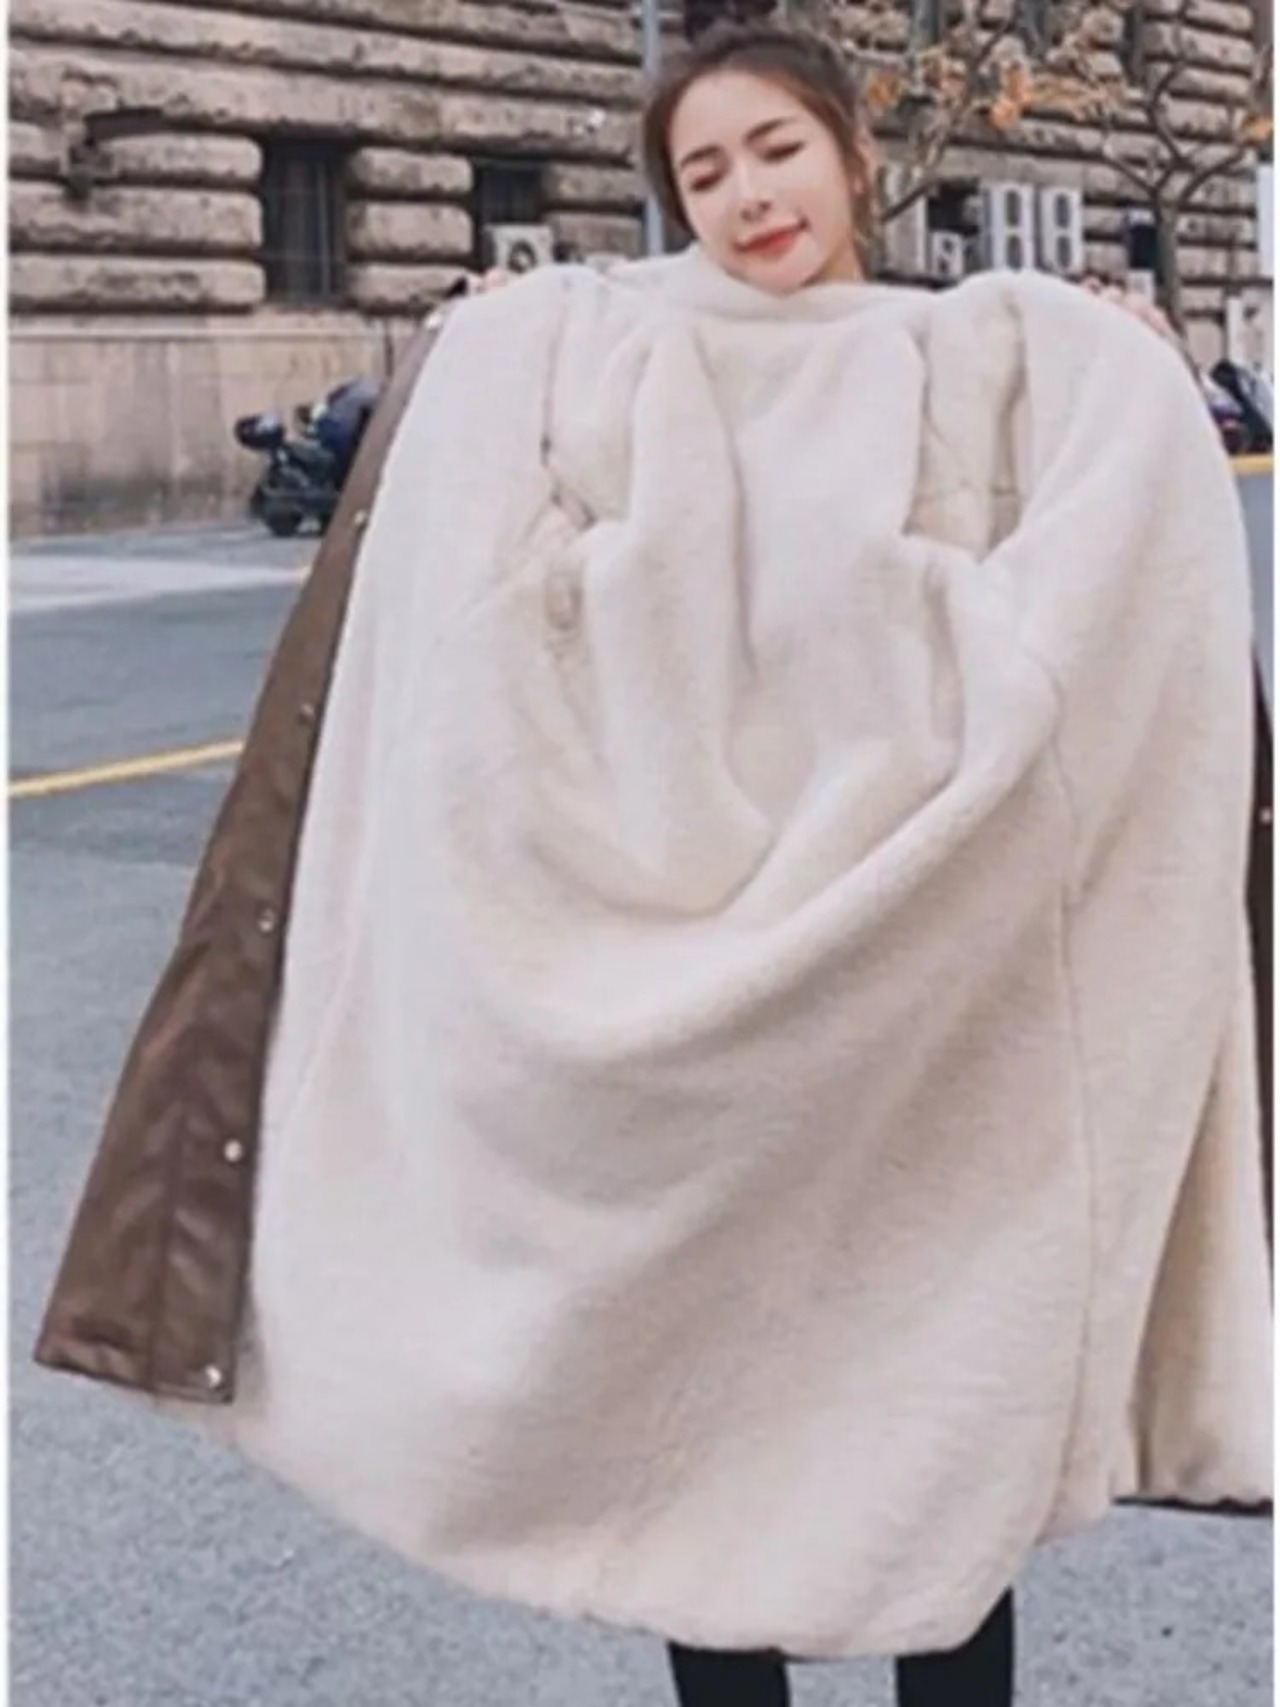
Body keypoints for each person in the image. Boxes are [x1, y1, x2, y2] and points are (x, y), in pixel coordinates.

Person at [35, 18, 1270, 1707]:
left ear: (852, 154)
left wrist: (1127, 365)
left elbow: (1108, 595)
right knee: (702, 1434)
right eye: (704, 172)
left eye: (776, 149)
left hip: (914, 983)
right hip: (685, 1006)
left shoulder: (978, 357)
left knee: (929, 1421)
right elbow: (500, 622)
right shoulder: (609, 357)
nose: (748, 196)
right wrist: (481, 363)